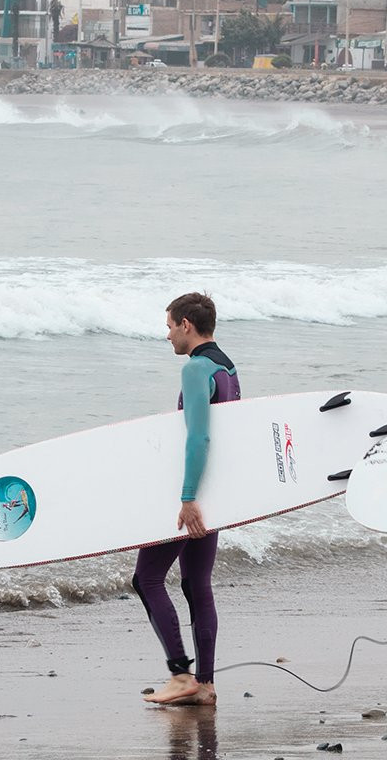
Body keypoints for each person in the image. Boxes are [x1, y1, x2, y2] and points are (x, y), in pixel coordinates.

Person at [134, 292, 240, 706]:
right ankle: (206, 684)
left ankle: (181, 675)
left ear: (186, 325)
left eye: (169, 326)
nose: (167, 336)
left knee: (146, 579)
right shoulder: (228, 367)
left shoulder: (197, 370)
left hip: (193, 492)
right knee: (197, 584)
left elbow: (199, 435)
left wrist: (188, 497)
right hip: (216, 492)